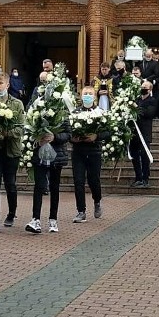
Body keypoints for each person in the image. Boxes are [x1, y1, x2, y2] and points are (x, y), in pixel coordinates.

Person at [25, 77, 71, 234]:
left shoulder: (62, 112)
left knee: (54, 187)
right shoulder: (36, 109)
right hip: (39, 153)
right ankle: (35, 219)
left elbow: (67, 134)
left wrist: (54, 138)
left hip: (56, 155)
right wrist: (37, 138)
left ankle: (53, 219)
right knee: (38, 186)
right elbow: (28, 128)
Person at [0, 71, 25, 233]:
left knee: (10, 184)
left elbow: (21, 128)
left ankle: (11, 213)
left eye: (0, 83)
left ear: (8, 85)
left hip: (11, 151)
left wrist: (6, 133)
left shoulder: (16, 104)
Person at [70, 86, 110, 223]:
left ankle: (97, 201)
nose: (87, 96)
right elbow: (69, 130)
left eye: (90, 94)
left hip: (94, 151)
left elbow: (108, 131)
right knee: (78, 181)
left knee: (94, 180)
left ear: (95, 96)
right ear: (81, 96)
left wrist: (96, 136)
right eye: (85, 94)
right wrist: (73, 138)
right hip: (78, 152)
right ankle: (81, 211)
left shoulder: (100, 112)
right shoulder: (75, 113)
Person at [130, 81, 157, 188]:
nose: (142, 88)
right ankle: (138, 177)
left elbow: (149, 113)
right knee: (134, 155)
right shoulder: (137, 99)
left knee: (144, 156)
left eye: (145, 87)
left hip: (144, 132)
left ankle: (145, 178)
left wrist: (136, 107)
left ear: (149, 90)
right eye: (142, 86)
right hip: (134, 132)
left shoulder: (152, 101)